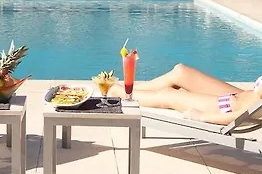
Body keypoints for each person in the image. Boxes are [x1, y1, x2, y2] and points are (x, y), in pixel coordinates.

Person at [109, 63, 262, 125]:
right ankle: (131, 89)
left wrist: (202, 117)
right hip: (239, 96)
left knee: (169, 95)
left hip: (227, 109)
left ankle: (122, 93)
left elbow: (242, 114)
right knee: (181, 72)